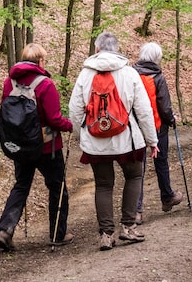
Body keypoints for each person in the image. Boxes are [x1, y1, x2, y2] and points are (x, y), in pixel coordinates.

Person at [68, 32, 158, 251]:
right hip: (126, 139)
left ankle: (106, 234)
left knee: (104, 185)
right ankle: (128, 227)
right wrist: (152, 140)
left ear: (97, 49)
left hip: (96, 142)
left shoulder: (85, 75)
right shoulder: (129, 73)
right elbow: (144, 110)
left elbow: (74, 110)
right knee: (135, 175)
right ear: (117, 49)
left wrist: (82, 133)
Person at [0, 43, 74, 251]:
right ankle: (58, 233)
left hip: (20, 146)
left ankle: (5, 230)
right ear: (40, 61)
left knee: (21, 185)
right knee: (57, 187)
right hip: (47, 147)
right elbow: (54, 119)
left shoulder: (9, 82)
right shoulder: (45, 84)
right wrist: (69, 125)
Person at [133, 42, 183, 219]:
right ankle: (167, 197)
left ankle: (136, 210)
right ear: (156, 58)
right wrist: (171, 119)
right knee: (161, 162)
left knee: (139, 167)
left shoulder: (131, 74)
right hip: (157, 126)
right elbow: (164, 106)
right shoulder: (158, 77)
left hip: (135, 127)